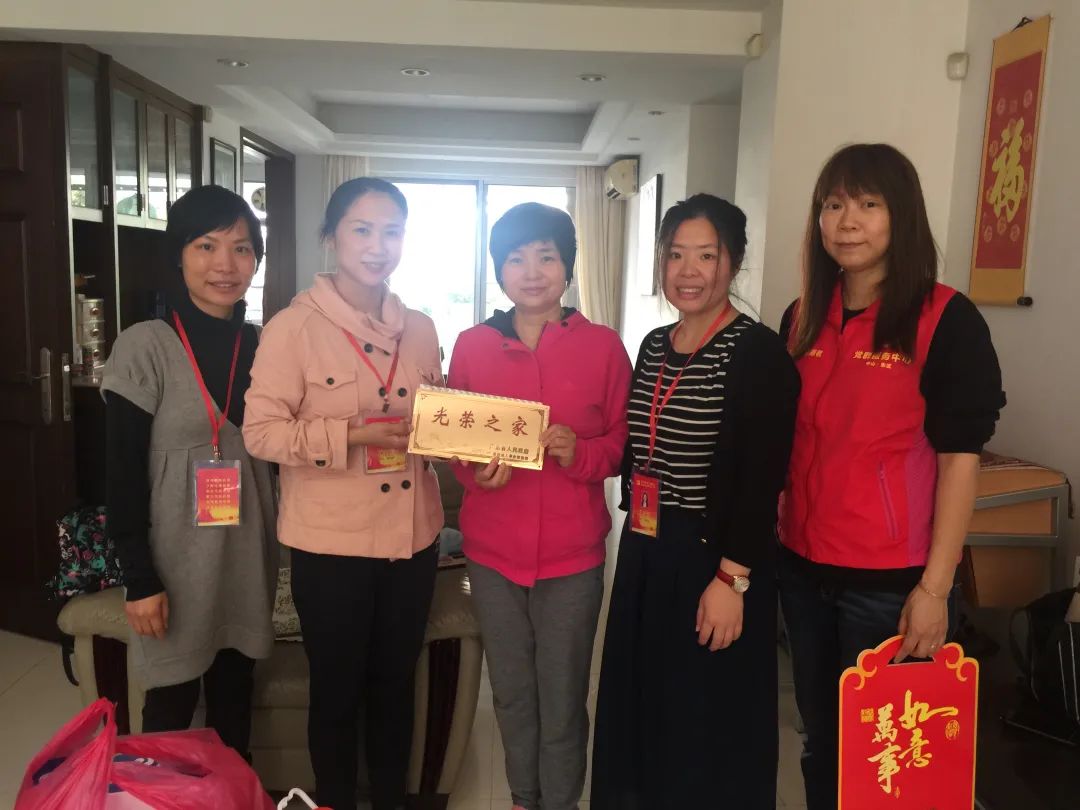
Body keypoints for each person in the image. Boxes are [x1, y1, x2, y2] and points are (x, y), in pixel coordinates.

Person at [777, 143, 1006, 810]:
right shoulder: (802, 316)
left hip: (891, 583)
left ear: (900, 216)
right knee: (822, 740)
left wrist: (935, 588)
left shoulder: (945, 318)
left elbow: (960, 460)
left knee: (892, 764)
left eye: (868, 204)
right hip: (804, 566)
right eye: (833, 204)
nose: (847, 221)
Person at [591, 193, 799, 809]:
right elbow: (640, 446)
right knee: (644, 702)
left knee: (704, 717)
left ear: (732, 262)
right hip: (646, 547)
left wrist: (732, 579)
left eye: (706, 255)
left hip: (715, 557)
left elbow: (763, 479)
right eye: (676, 254)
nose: (688, 270)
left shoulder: (758, 353)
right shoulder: (655, 344)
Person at [243, 178, 443, 810]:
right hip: (331, 545)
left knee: (395, 685)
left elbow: (435, 422)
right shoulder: (294, 327)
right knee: (335, 691)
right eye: (362, 229)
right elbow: (260, 432)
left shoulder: (421, 328)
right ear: (331, 237)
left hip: (413, 539)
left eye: (392, 231)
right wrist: (351, 433)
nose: (378, 245)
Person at [447, 203, 632, 810]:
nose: (531, 272)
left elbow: (622, 445)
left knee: (563, 694)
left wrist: (581, 452)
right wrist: (477, 474)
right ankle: (524, 798)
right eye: (516, 259)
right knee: (511, 692)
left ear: (567, 267)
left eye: (546, 257)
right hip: (492, 555)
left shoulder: (604, 347)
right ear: (499, 270)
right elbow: (454, 442)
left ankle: (561, 801)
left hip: (572, 558)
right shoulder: (473, 345)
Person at [102, 184, 278, 758]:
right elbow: (121, 472)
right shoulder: (144, 347)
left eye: (242, 248)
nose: (225, 264)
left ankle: (229, 795)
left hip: (246, 558)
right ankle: (165, 797)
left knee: (235, 702)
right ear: (178, 254)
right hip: (173, 567)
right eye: (206, 246)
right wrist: (140, 580)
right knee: (170, 710)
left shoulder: (265, 346)